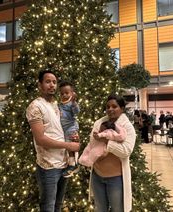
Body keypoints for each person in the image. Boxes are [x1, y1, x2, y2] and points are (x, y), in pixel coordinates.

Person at [26, 69, 80, 212]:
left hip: (63, 164)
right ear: (40, 85)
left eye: (54, 82)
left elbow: (61, 128)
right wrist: (68, 145)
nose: (52, 85)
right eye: (48, 81)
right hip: (48, 166)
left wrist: (72, 137)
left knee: (58, 205)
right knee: (48, 206)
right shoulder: (35, 106)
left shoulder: (57, 106)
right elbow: (40, 139)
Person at [88, 94, 135, 212]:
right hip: (97, 176)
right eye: (108, 106)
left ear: (122, 109)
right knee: (99, 208)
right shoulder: (99, 123)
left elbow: (126, 151)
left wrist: (107, 142)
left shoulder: (127, 127)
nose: (110, 109)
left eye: (114, 106)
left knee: (117, 209)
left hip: (115, 179)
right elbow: (92, 143)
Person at [58, 81, 80, 178]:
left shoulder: (72, 103)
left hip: (71, 128)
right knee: (67, 147)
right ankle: (71, 163)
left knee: (70, 146)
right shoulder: (60, 104)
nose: (64, 95)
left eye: (67, 93)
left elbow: (76, 112)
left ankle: (73, 165)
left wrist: (74, 102)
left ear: (72, 93)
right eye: (62, 93)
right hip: (63, 129)